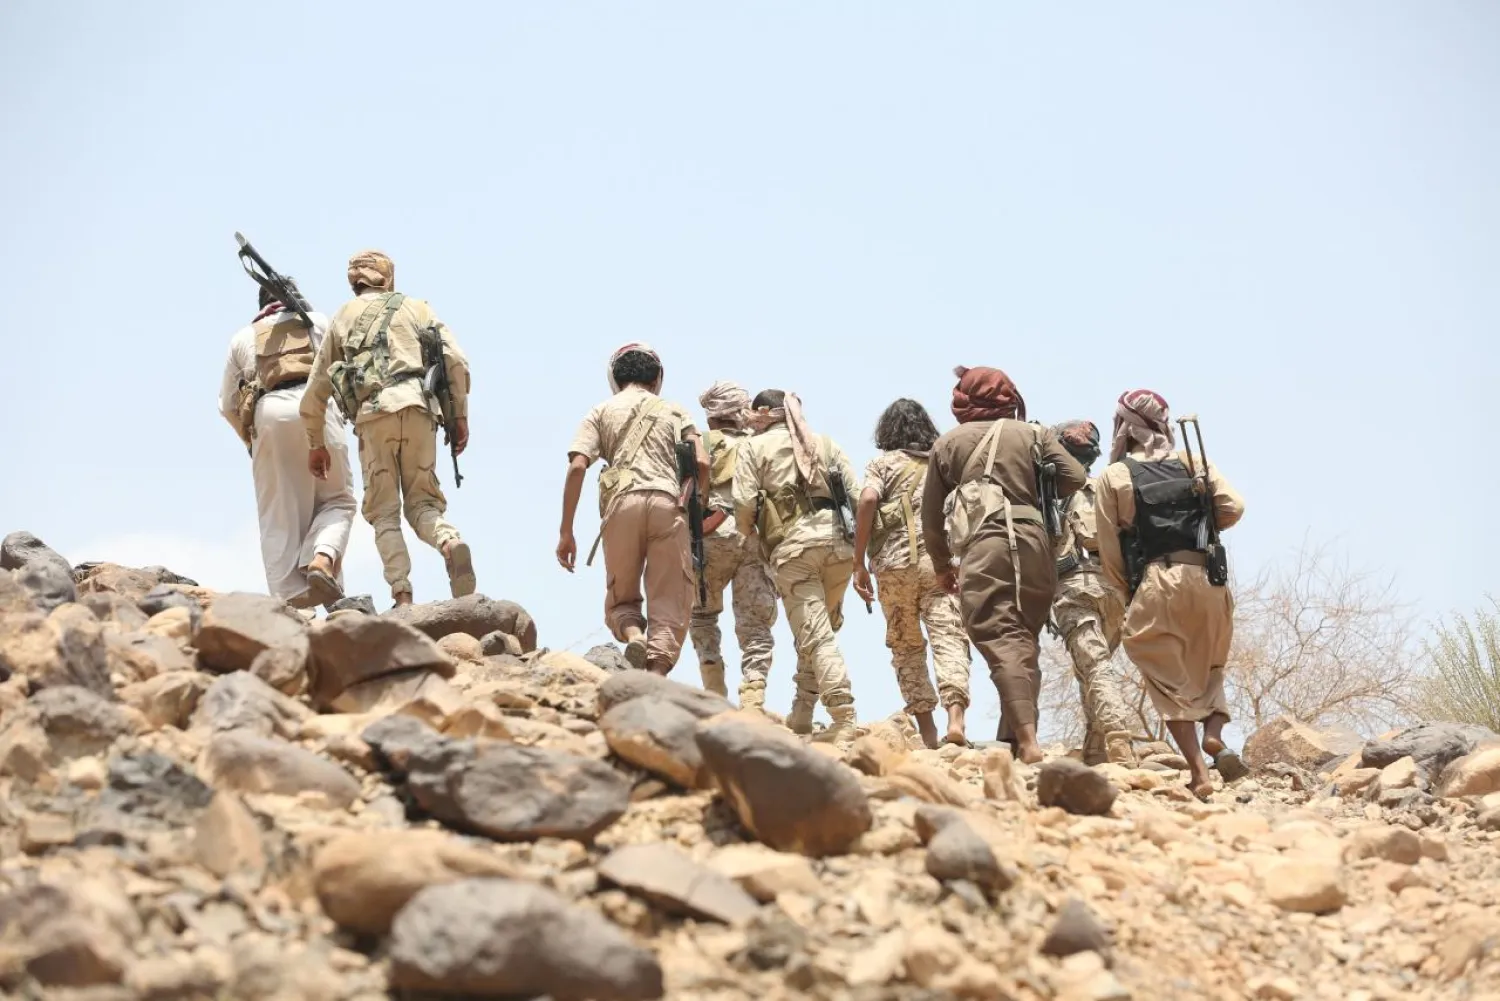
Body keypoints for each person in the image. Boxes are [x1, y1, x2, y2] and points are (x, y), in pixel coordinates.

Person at [921, 366, 1085, 764]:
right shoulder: (1032, 433)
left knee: (998, 634)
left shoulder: (948, 444)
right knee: (1023, 639)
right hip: (1034, 544)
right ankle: (1011, 740)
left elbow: (929, 519)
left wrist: (944, 566)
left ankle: (1028, 743)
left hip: (986, 546)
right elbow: (1075, 476)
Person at [300, 250, 475, 606]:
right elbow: (455, 360)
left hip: (373, 416)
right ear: (388, 277)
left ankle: (402, 592)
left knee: (384, 513)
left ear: (354, 281)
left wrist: (316, 443)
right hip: (419, 407)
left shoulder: (343, 317)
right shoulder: (418, 308)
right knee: (423, 503)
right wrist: (459, 417)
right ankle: (449, 542)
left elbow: (315, 390)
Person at [1095, 389, 1246, 799]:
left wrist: (1130, 593)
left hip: (1156, 579)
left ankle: (1199, 770)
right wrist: (1200, 524)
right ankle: (1214, 733)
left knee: (1163, 672)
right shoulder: (1194, 461)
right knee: (1210, 662)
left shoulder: (1114, 476)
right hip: (1208, 578)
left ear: (1124, 425)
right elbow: (1234, 506)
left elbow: (1109, 547)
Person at [557, 343, 708, 674]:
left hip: (621, 505)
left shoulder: (599, 411)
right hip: (669, 503)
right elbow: (701, 460)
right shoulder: (676, 411)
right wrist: (697, 510)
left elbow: (578, 467)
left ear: (615, 377)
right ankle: (654, 677)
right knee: (670, 599)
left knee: (621, 598)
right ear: (656, 379)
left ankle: (635, 635)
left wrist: (566, 531)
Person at [732, 390, 862, 746]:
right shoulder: (823, 442)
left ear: (762, 414)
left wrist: (750, 535)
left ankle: (843, 715)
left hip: (795, 550)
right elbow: (856, 494)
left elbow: (743, 504)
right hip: (840, 546)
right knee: (820, 629)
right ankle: (803, 710)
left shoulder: (753, 448)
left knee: (816, 635)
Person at [219, 277, 356, 609]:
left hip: (269, 416)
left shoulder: (242, 338)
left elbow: (226, 404)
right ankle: (323, 558)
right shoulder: (319, 322)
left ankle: (289, 609)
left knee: (279, 518)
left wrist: (253, 443)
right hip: (319, 410)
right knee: (337, 501)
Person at [853, 398, 971, 748]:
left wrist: (858, 562)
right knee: (949, 637)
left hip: (894, 566)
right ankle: (956, 720)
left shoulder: (882, 463)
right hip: (940, 563)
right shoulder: (944, 461)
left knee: (906, 647)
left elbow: (868, 500)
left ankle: (928, 732)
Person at [1048, 419, 1136, 766]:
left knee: (1094, 665)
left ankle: (1118, 739)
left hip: (1074, 586)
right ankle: (1095, 749)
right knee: (1092, 666)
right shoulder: (1109, 486)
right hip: (1115, 588)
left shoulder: (1050, 492)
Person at [688, 381, 779, 707]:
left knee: (701, 615)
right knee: (755, 625)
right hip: (754, 536)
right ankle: (754, 695)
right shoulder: (763, 443)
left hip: (711, 534)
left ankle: (714, 693)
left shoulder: (702, 442)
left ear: (712, 415)